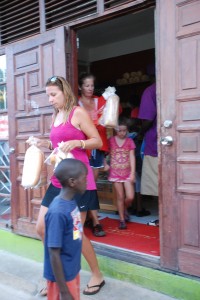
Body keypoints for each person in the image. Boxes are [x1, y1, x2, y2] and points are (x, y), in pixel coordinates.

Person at [28, 76, 105, 296]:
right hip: (59, 180)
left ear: (65, 93)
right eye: (48, 95)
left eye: (53, 95)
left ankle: (97, 274)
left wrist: (79, 143)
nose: (50, 100)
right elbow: (58, 143)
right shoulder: (56, 115)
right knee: (42, 228)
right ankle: (55, 273)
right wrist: (43, 143)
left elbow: (97, 141)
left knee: (75, 234)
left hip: (78, 181)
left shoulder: (77, 113)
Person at [44, 158, 87, 300]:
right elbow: (53, 252)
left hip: (71, 270)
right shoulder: (57, 212)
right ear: (72, 182)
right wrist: (63, 292)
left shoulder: (71, 201)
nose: (87, 181)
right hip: (61, 279)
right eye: (84, 178)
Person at [78, 73, 109, 237]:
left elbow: (111, 116)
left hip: (97, 146)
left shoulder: (100, 101)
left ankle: (90, 219)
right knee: (84, 186)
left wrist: (111, 98)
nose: (90, 88)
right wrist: (95, 123)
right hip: (81, 148)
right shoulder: (75, 103)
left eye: (92, 85)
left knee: (91, 186)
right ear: (80, 87)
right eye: (87, 85)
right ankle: (94, 222)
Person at [108, 118, 136, 229]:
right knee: (120, 196)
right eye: (120, 130)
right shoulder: (110, 141)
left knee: (130, 197)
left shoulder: (130, 141)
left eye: (124, 130)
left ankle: (124, 208)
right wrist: (105, 163)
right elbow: (103, 151)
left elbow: (132, 157)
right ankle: (122, 219)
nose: (122, 133)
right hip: (115, 173)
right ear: (115, 130)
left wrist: (133, 173)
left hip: (127, 173)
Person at [138, 81, 158, 225]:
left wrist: (141, 132)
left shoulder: (150, 90)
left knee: (158, 185)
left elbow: (148, 119)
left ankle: (164, 219)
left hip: (156, 143)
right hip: (182, 144)